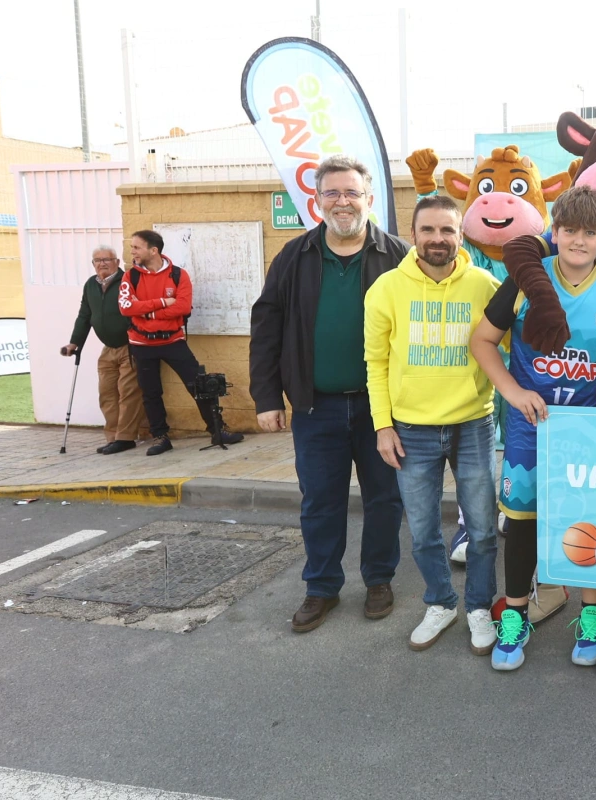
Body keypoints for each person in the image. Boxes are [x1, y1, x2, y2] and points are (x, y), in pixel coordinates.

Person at [469, 186, 596, 671]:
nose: (579, 240)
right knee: (522, 523)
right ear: (553, 231)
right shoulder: (526, 280)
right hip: (530, 427)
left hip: (589, 429)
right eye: (570, 230)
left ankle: (592, 614)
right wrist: (513, 391)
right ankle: (515, 615)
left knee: (589, 521)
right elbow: (481, 342)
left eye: (590, 232)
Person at [249, 155, 411, 633]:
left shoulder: (398, 256)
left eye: (352, 192)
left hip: (382, 409)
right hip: (315, 406)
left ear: (369, 199)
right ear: (318, 200)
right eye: (333, 193)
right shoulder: (293, 257)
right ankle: (321, 586)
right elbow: (266, 328)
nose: (343, 202)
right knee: (320, 501)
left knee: (384, 499)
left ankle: (379, 579)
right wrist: (266, 398)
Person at [365, 195, 501, 655]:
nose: (437, 239)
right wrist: (382, 425)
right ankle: (441, 603)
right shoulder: (386, 288)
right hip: (410, 431)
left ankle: (479, 606)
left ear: (460, 236)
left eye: (447, 230)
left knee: (482, 529)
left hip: (473, 424)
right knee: (423, 532)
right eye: (428, 230)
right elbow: (375, 362)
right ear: (413, 235)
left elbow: (507, 346)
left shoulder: (485, 285)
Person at [118, 229, 245, 454]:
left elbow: (183, 307)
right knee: (151, 393)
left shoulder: (178, 275)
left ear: (153, 250)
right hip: (142, 344)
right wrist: (162, 302)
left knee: (198, 385)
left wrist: (147, 312)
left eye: (136, 247)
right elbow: (126, 308)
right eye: (132, 247)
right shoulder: (131, 276)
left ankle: (217, 430)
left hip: (173, 341)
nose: (132, 252)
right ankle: (160, 437)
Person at [62, 246, 144, 453]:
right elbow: (84, 315)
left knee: (128, 393)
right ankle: (113, 437)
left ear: (117, 262)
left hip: (129, 346)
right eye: (97, 260)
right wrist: (74, 342)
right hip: (108, 348)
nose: (102, 263)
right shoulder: (91, 284)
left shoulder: (128, 281)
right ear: (93, 264)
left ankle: (126, 438)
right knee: (106, 394)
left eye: (107, 259)